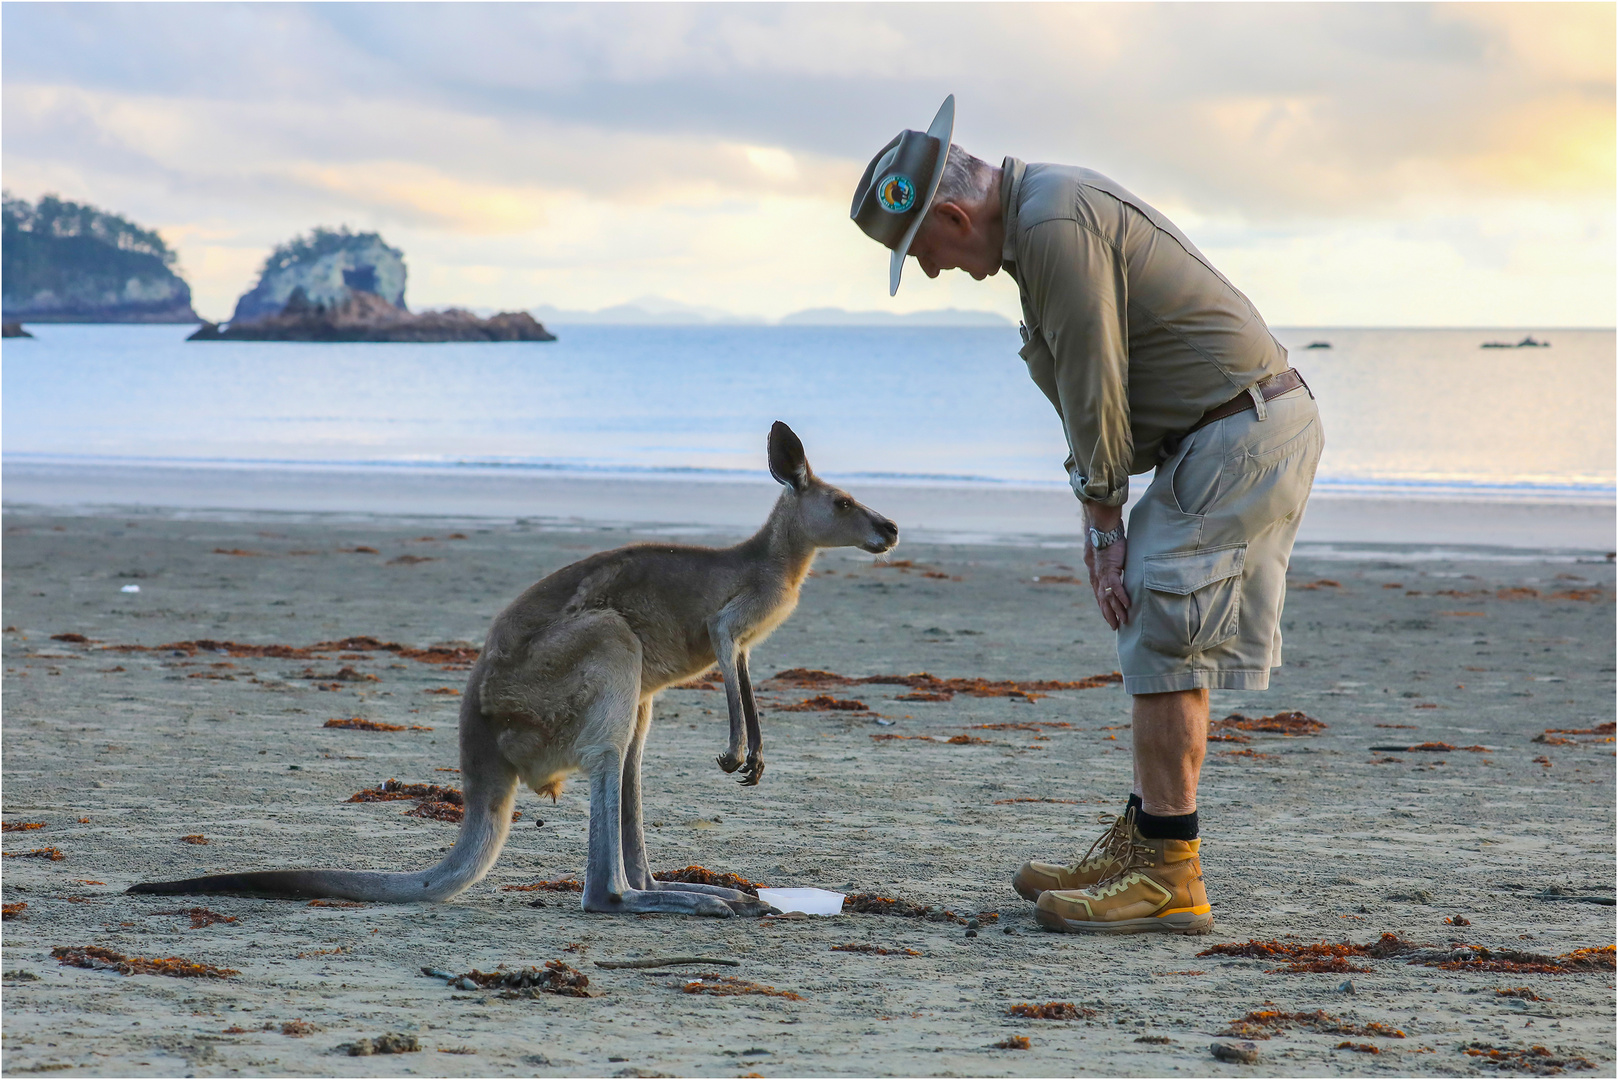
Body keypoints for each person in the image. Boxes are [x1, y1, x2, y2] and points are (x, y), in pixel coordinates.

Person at [850, 95, 1323, 935]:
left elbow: (1097, 390)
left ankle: (1171, 874)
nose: (931, 271)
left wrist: (1103, 534)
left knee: (1161, 631)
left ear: (955, 215)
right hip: (1225, 432)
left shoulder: (1055, 226)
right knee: (1163, 630)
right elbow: (1088, 395)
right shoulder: (1043, 219)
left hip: (1235, 431)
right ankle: (1146, 841)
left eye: (923, 250)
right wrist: (1100, 521)